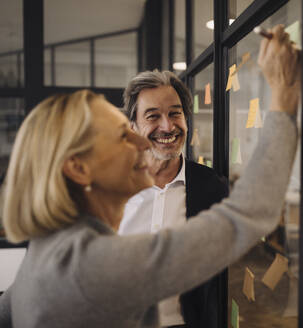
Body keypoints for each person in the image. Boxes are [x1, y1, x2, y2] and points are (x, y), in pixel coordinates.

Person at [0, 25, 300, 328]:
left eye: (175, 113)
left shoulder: (51, 247)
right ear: (79, 168)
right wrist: (282, 98)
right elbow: (246, 215)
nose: (141, 143)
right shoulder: (94, 265)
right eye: (122, 135)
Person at [119, 70, 228, 328]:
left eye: (175, 113)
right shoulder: (112, 188)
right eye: (153, 116)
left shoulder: (212, 189)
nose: (167, 126)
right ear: (133, 126)